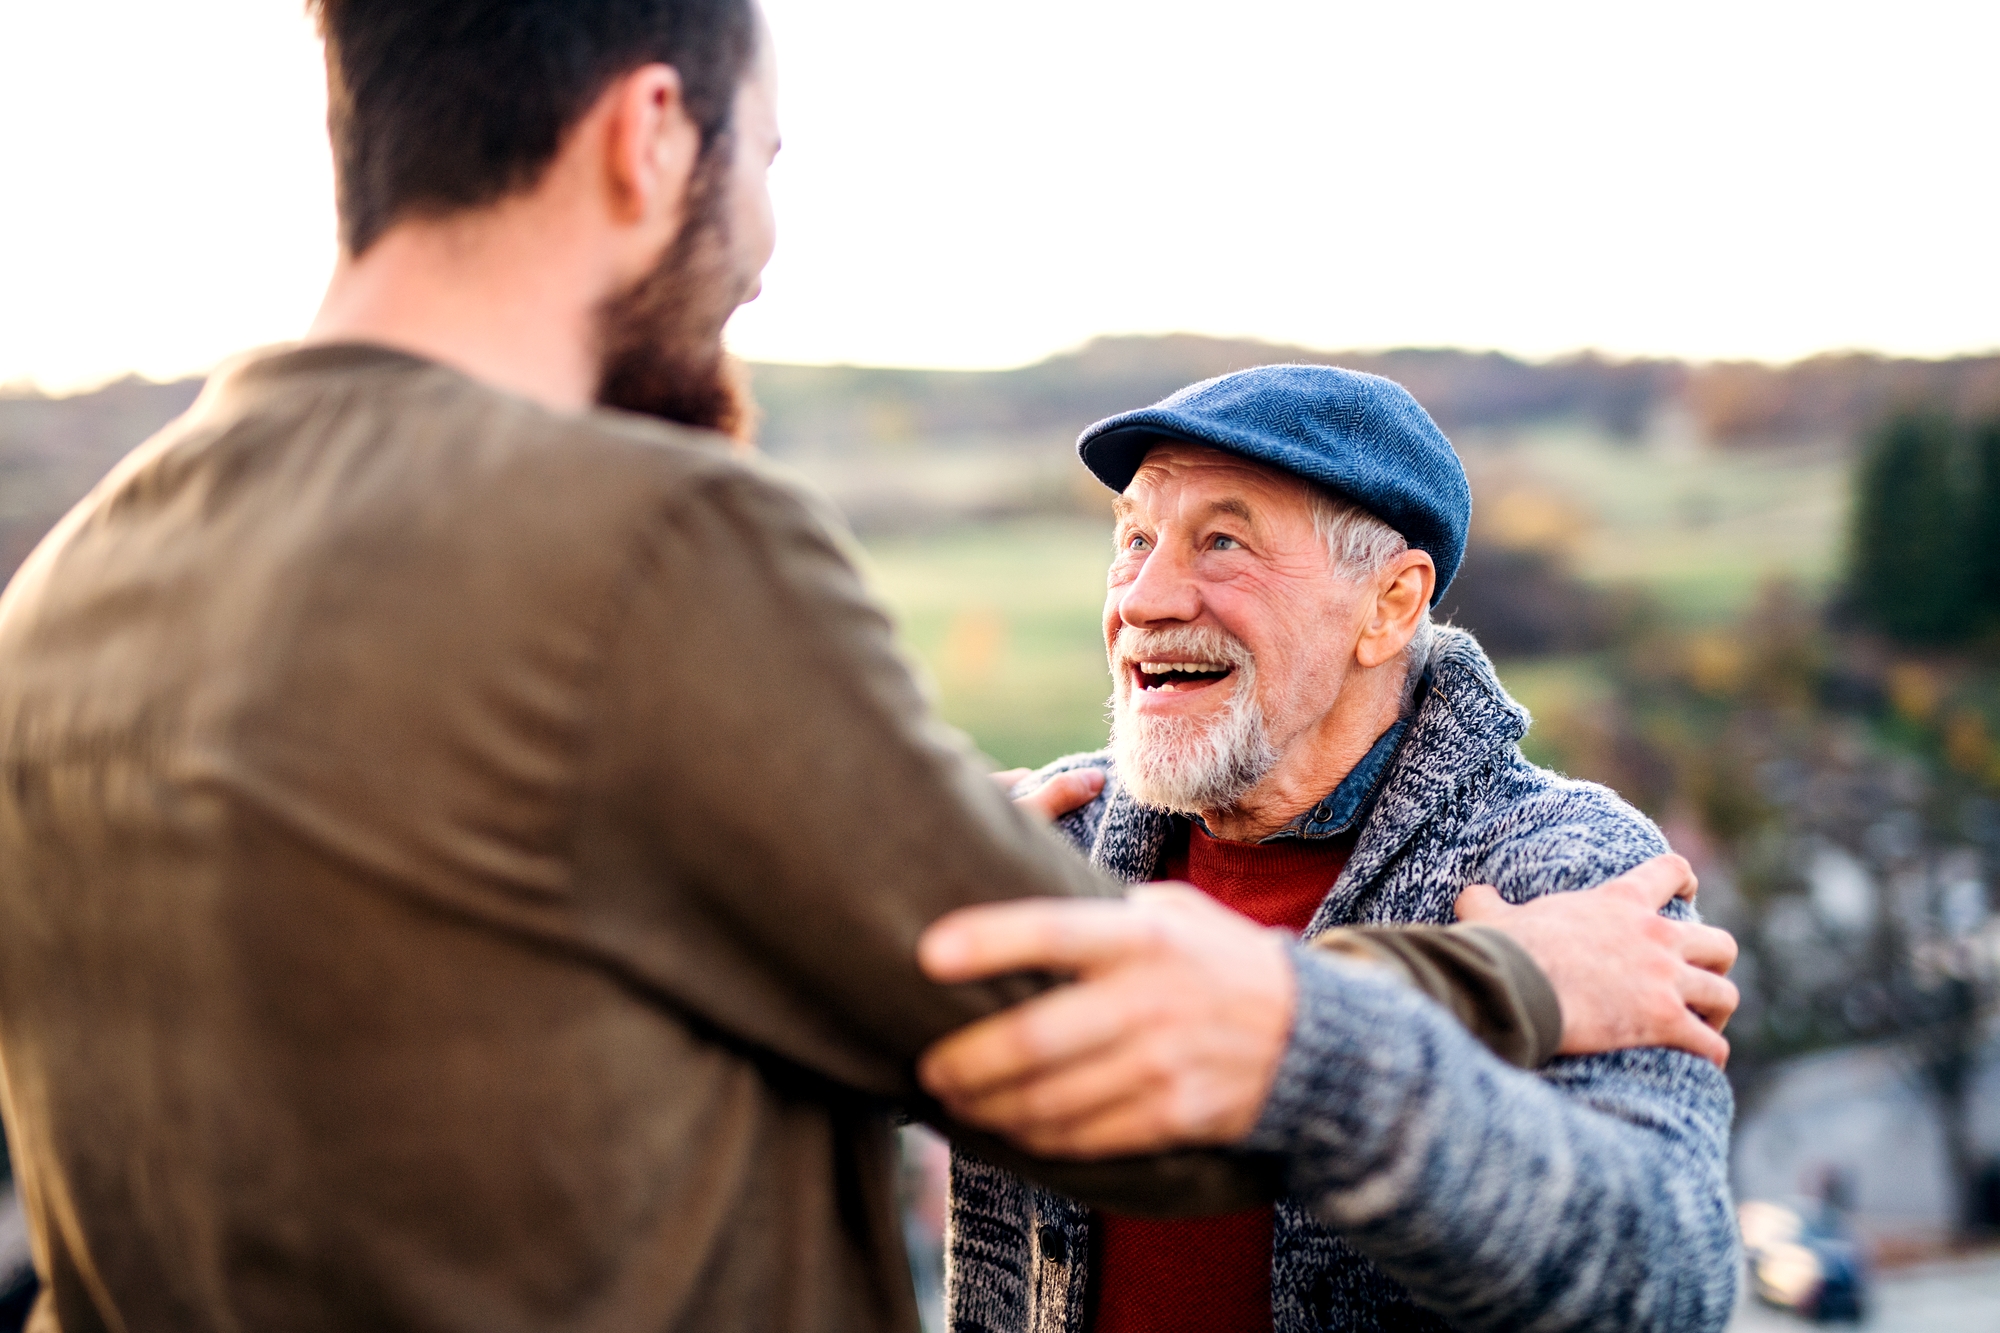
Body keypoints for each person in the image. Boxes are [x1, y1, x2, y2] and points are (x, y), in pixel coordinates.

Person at [0, 4, 1735, 1331]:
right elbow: (1107, 1062)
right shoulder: (651, 546)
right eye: (770, 158)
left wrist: (836, 868)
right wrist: (1501, 979)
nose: (765, 245)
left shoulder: (65, 592)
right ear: (652, 134)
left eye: (1223, 536)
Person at [921, 367, 1744, 1333]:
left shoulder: (1563, 870)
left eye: (1221, 542)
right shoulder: (1054, 835)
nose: (1143, 598)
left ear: (1390, 606)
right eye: (1134, 538)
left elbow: (1666, 1281)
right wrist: (889, 884)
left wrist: (1326, 1054)